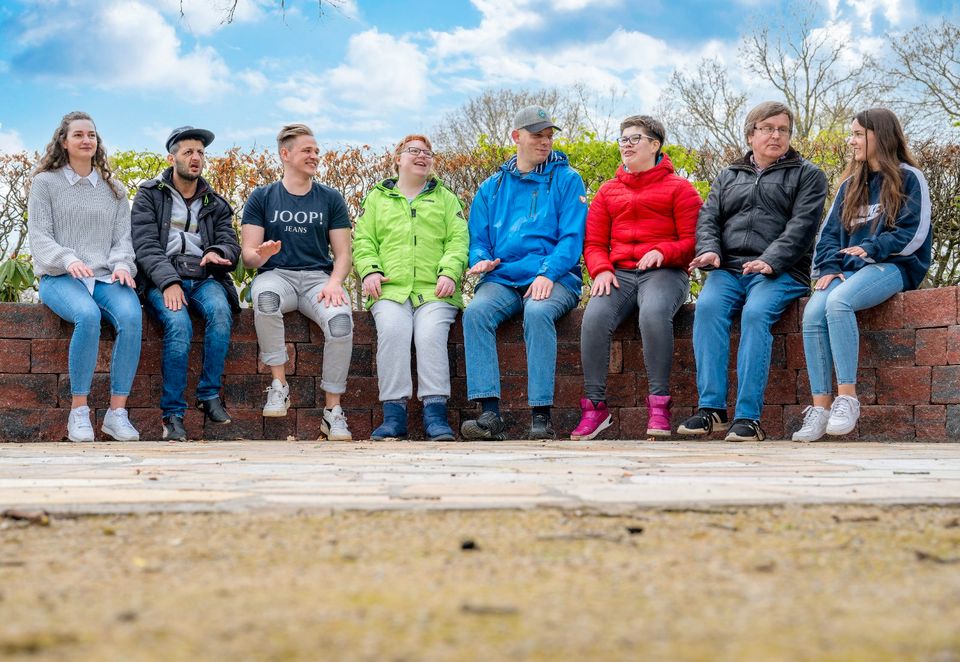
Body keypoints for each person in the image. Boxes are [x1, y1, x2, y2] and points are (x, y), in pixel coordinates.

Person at [678, 101, 828, 442]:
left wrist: (771, 260)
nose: (776, 135)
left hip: (781, 272)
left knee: (756, 313)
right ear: (751, 134)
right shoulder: (728, 175)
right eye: (768, 128)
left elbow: (802, 228)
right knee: (708, 308)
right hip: (728, 270)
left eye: (783, 130)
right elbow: (708, 219)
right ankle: (712, 410)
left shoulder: (809, 175)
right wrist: (709, 251)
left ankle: (748, 418)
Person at [793, 108, 931, 442]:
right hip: (849, 271)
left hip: (894, 266)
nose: (851, 140)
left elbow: (914, 233)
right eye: (851, 133)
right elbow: (827, 237)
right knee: (813, 312)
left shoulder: (909, 177)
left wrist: (872, 248)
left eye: (858, 134)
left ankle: (848, 399)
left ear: (879, 136)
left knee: (838, 303)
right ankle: (820, 408)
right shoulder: (849, 186)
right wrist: (827, 268)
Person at [460, 105, 588, 440]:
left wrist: (548, 273)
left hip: (555, 277)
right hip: (502, 278)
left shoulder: (567, 179)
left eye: (549, 136)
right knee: (475, 313)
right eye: (537, 135)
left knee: (538, 310)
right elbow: (479, 238)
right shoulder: (491, 187)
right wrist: (481, 260)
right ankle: (489, 416)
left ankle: (541, 416)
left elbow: (572, 238)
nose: (545, 142)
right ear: (517, 137)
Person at [572, 115, 701, 440]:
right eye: (623, 140)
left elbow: (693, 240)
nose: (626, 145)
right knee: (594, 318)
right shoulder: (608, 192)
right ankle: (594, 408)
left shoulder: (681, 189)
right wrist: (600, 269)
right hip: (620, 275)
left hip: (665, 272)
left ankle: (659, 406)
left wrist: (664, 251)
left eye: (634, 139)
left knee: (654, 314)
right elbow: (594, 243)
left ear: (655, 145)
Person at [27, 111, 142, 442]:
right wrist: (68, 258)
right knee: (87, 316)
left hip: (105, 277)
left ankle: (116, 414)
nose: (86, 140)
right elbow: (40, 237)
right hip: (60, 278)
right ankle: (79, 412)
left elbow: (123, 240)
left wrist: (122, 265)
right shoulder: (45, 184)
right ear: (64, 141)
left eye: (91, 134)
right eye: (78, 134)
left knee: (132, 317)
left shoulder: (115, 190)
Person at [240, 123, 354, 440]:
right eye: (307, 150)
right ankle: (279, 385)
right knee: (264, 299)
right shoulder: (262, 197)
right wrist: (260, 255)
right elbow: (248, 256)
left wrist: (335, 283)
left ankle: (333, 412)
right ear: (285, 154)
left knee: (342, 321)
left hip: (319, 280)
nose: (314, 155)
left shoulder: (330, 199)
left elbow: (343, 254)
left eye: (316, 151)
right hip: (277, 277)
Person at [354, 134, 468, 440]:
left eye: (427, 153)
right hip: (390, 290)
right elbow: (364, 241)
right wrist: (370, 271)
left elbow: (458, 241)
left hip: (435, 290)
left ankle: (435, 415)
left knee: (431, 335)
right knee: (392, 331)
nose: (422, 156)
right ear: (398, 158)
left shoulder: (446, 199)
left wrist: (449, 273)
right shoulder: (376, 198)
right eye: (413, 151)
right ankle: (394, 416)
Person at [132, 126, 241, 441]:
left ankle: (208, 394)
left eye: (201, 153)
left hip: (204, 278)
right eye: (188, 152)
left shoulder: (216, 203)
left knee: (220, 311)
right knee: (179, 326)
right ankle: (173, 415)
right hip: (162, 279)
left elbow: (230, 244)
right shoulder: (149, 194)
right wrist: (168, 282)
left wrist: (218, 253)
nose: (196, 158)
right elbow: (145, 246)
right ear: (172, 157)